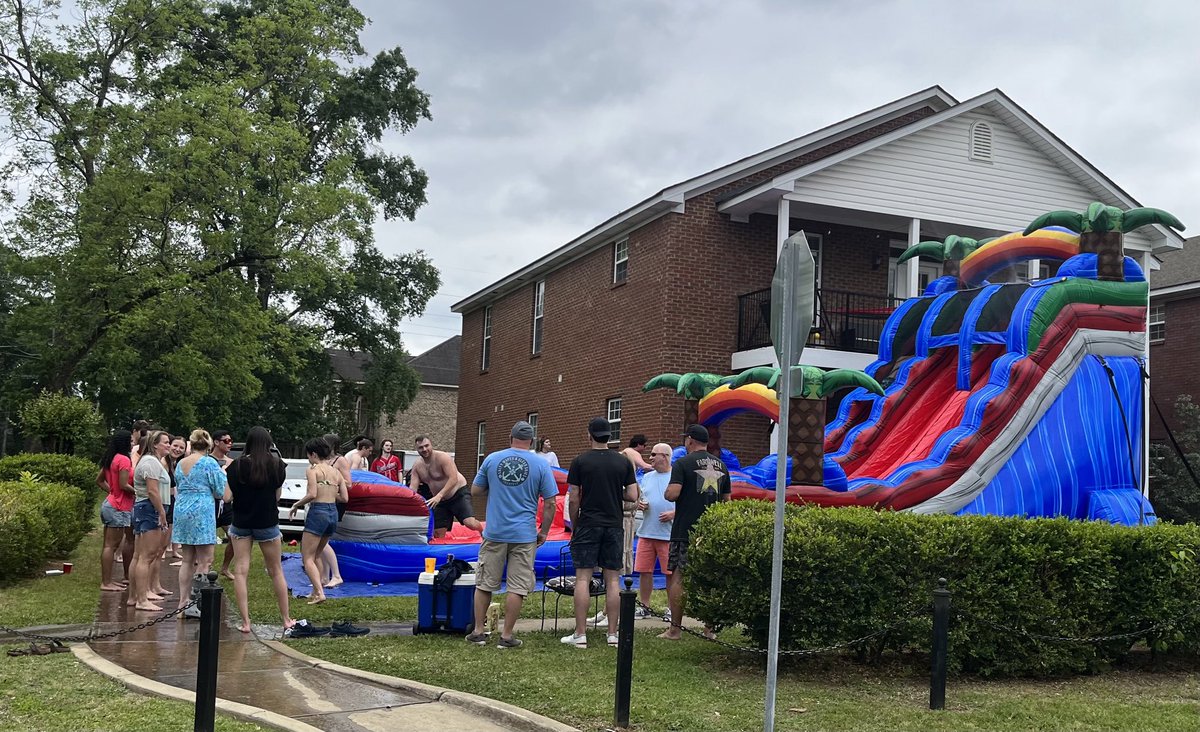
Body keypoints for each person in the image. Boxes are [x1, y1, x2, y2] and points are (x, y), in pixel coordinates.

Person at [465, 421, 558, 648]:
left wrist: (495, 486)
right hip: (524, 534)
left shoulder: (492, 459)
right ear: (532, 441)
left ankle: (478, 631)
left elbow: (475, 490)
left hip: (495, 531)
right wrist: (543, 532)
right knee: (517, 586)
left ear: (510, 437)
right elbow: (551, 503)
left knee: (485, 583)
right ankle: (506, 636)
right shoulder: (541, 464)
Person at [560, 417, 638, 649]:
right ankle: (613, 634)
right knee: (613, 579)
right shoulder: (622, 462)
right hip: (614, 524)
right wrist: (614, 491)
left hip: (588, 523)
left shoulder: (580, 461)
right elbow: (633, 495)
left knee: (583, 577)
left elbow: (574, 497)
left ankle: (581, 634)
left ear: (589, 435)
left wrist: (575, 524)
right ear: (609, 436)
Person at [660, 424, 731, 640]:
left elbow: (672, 494)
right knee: (710, 579)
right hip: (711, 531)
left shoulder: (682, 463)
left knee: (679, 578)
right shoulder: (721, 466)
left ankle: (675, 629)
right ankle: (710, 629)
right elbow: (727, 501)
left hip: (685, 530)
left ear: (690, 440)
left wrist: (667, 492)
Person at [227, 426, 294, 634]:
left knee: (240, 571)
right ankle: (286, 619)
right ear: (268, 443)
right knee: (276, 571)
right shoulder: (277, 465)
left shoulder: (236, 466)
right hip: (267, 521)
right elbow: (276, 497)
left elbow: (228, 497)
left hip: (241, 521)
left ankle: (246, 622)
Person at [171, 429, 229, 611]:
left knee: (187, 559)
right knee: (205, 559)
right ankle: (198, 603)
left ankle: (183, 600)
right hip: (202, 510)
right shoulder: (208, 463)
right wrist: (223, 473)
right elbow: (221, 492)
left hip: (182, 509)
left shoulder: (180, 463)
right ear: (209, 444)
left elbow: (179, 484)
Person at [290, 437, 350, 605]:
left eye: (308, 455)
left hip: (318, 512)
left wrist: (296, 505)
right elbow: (344, 498)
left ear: (313, 454)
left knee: (307, 557)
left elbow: (312, 494)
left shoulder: (313, 470)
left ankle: (320, 593)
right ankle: (316, 589)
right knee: (317, 555)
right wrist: (330, 493)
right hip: (332, 514)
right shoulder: (336, 472)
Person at [129, 430, 172, 611]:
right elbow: (153, 491)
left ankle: (134, 596)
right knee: (147, 556)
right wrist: (161, 512)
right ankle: (141, 599)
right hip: (150, 508)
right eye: (165, 442)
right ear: (155, 444)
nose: (168, 445)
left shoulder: (150, 461)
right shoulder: (151, 462)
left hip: (144, 507)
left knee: (139, 556)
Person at [411, 434, 482, 538]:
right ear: (417, 449)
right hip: (439, 501)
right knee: (438, 533)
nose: (424, 449)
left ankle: (484, 532)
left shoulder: (442, 457)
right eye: (421, 447)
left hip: (457, 493)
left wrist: (439, 495)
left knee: (470, 523)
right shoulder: (417, 466)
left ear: (431, 445)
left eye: (427, 446)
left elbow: (453, 479)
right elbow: (413, 489)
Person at [634, 442, 675, 616]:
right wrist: (639, 504)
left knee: (670, 574)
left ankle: (673, 609)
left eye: (653, 454)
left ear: (664, 457)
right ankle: (645, 606)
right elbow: (640, 497)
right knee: (644, 571)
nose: (649, 458)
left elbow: (686, 503)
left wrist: (674, 513)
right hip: (646, 531)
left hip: (668, 534)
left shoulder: (676, 476)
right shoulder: (648, 477)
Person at [96, 430, 134, 592]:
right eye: (131, 441)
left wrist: (112, 492)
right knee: (111, 546)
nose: (133, 444)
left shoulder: (110, 458)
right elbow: (124, 484)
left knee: (108, 545)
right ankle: (106, 582)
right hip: (118, 507)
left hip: (111, 503)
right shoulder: (124, 459)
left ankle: (108, 580)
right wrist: (140, 493)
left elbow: (99, 480)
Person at [617, 435, 650, 576]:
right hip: (622, 520)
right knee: (622, 547)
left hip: (629, 519)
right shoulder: (625, 483)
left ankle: (623, 570)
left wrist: (639, 504)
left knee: (626, 547)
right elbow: (631, 497)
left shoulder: (633, 482)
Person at [211, 430, 237, 579]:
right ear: (216, 442)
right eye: (226, 441)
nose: (229, 443)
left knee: (234, 536)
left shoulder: (231, 463)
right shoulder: (208, 460)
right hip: (210, 503)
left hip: (226, 504)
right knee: (206, 538)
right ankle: (202, 565)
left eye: (230, 440)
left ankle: (225, 568)